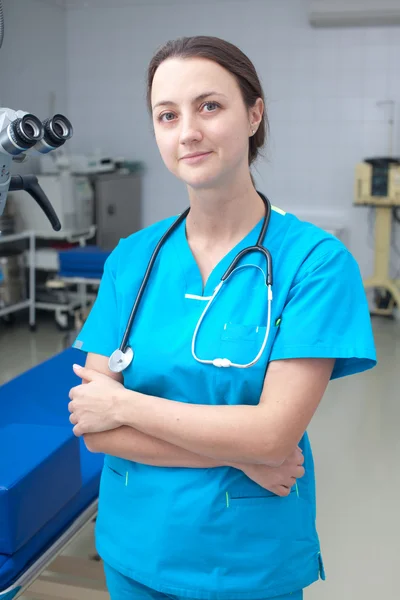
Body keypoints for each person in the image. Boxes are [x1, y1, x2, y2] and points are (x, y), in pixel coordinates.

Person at [68, 36, 377, 600]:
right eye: (167, 115)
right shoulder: (132, 259)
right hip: (133, 549)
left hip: (245, 562)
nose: (188, 130)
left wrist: (124, 403)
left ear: (254, 113)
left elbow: (273, 433)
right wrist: (241, 453)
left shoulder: (314, 263)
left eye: (209, 106)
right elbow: (95, 431)